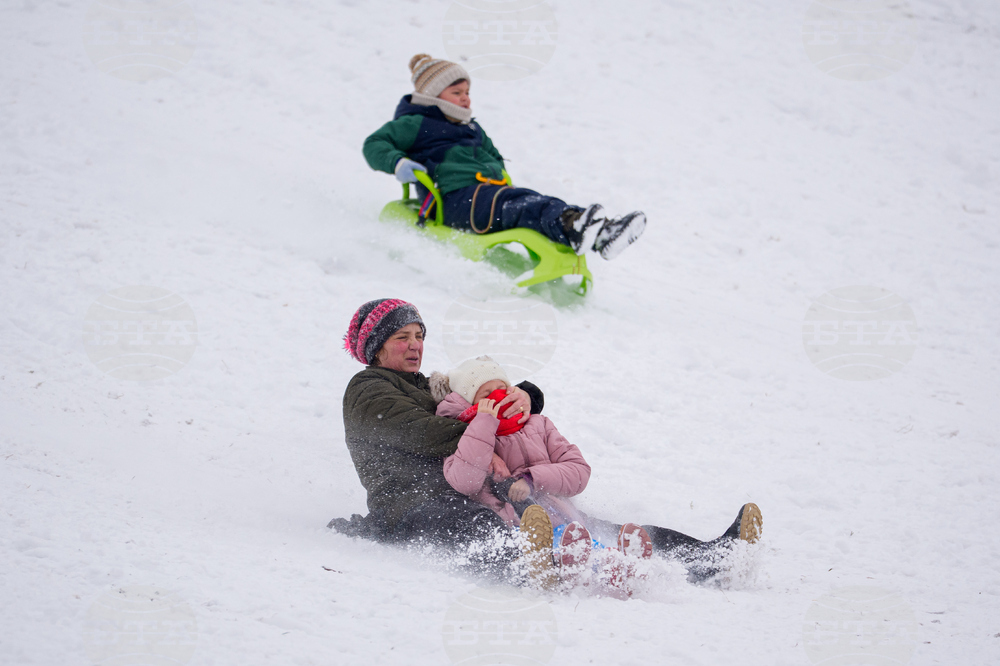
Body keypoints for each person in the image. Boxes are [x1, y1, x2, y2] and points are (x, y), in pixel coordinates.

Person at [430, 355, 763, 584]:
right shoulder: (465, 433)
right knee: (579, 543)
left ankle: (717, 558)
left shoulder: (538, 424)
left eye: (502, 388)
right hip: (516, 525)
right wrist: (484, 421)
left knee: (636, 535)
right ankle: (594, 569)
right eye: (487, 395)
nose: (499, 398)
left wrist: (533, 477)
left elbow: (578, 472)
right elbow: (465, 479)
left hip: (569, 517)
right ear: (472, 402)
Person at [333, 298, 548, 580]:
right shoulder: (367, 389)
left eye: (419, 336)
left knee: (537, 503)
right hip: (409, 504)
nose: (415, 345)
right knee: (477, 523)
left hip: (462, 488)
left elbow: (475, 401)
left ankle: (596, 545)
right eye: (402, 337)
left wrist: (525, 395)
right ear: (378, 346)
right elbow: (422, 430)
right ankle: (525, 569)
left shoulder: (423, 385)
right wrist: (478, 442)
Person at [363, 54, 646, 261]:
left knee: (529, 200)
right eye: (457, 92)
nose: (466, 99)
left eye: (468, 92)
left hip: (487, 193)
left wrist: (495, 172)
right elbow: (374, 144)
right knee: (522, 206)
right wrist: (398, 162)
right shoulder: (415, 123)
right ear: (432, 96)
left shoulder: (470, 127)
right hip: (454, 201)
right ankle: (577, 225)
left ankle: (599, 234)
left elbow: (494, 154)